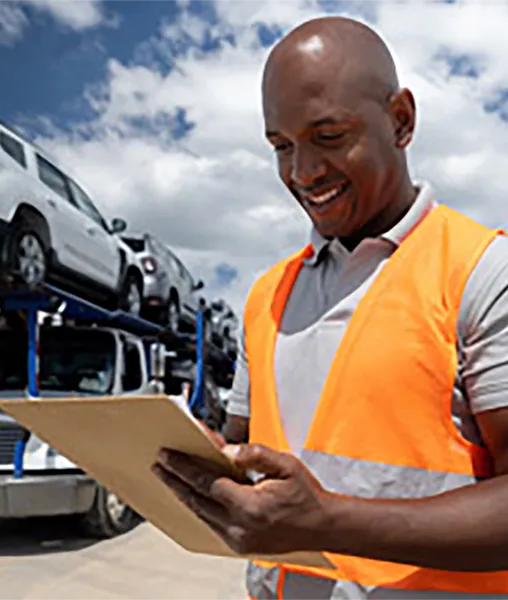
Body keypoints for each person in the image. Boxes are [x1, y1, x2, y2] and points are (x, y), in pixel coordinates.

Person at [152, 14, 508, 599]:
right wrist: (194, 461)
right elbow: (243, 445)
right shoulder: (268, 295)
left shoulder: (481, 274)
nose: (302, 172)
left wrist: (329, 522)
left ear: (401, 121)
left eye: (328, 137)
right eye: (281, 147)